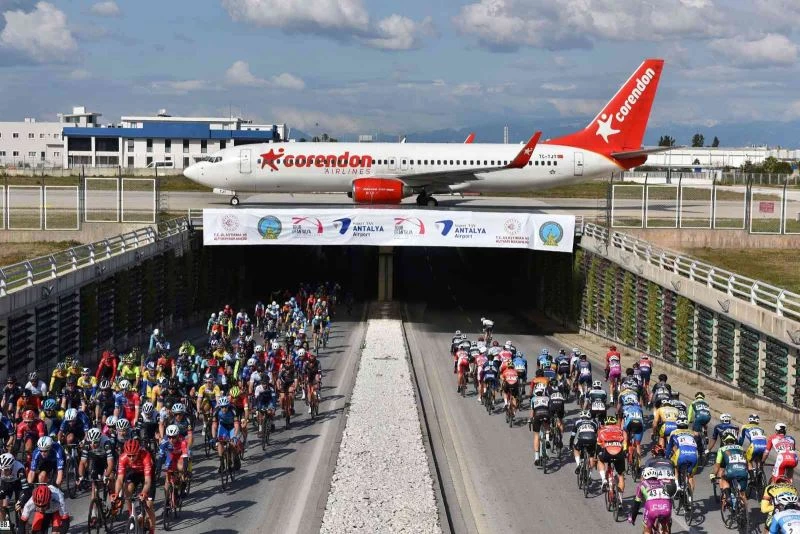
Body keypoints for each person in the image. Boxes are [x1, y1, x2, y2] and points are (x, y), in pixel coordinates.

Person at [114, 438, 155, 534]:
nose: (131, 458)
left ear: (138, 452)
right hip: (134, 472)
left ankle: (152, 530)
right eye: (129, 456)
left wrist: (144, 492)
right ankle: (131, 514)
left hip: (147, 474)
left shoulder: (145, 456)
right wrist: (116, 494)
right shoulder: (123, 457)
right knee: (127, 488)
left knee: (148, 506)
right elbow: (119, 479)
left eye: (134, 455)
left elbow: (148, 481)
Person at [627, 467, 672, 534]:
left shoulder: (642, 484)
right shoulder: (662, 483)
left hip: (652, 507)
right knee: (665, 529)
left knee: (647, 530)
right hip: (666, 507)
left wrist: (633, 518)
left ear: (644, 476)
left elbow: (636, 504)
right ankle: (665, 529)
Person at [713, 431, 749, 510]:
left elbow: (718, 464)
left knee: (723, 478)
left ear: (724, 441)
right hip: (743, 471)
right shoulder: (741, 448)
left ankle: (728, 496)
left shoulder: (721, 449)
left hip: (732, 470)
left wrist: (713, 474)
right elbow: (747, 462)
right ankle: (745, 514)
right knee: (742, 494)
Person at [666, 416, 698, 495]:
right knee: (691, 476)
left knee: (675, 467)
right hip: (694, 453)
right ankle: (690, 498)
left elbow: (669, 447)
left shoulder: (674, 432)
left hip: (682, 453)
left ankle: (678, 487)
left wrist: (666, 457)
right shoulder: (692, 432)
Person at [597, 415, 627, 495]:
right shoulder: (620, 430)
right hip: (619, 452)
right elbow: (625, 442)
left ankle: (604, 479)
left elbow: (599, 445)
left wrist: (597, 455)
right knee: (620, 475)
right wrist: (625, 451)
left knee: (600, 460)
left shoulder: (601, 430)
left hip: (607, 452)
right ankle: (620, 500)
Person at [570, 410, 598, 475]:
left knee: (576, 449)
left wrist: (571, 444)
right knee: (591, 456)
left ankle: (578, 465)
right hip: (592, 439)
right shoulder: (594, 422)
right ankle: (590, 475)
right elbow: (596, 434)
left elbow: (573, 435)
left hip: (581, 439)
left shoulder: (577, 422)